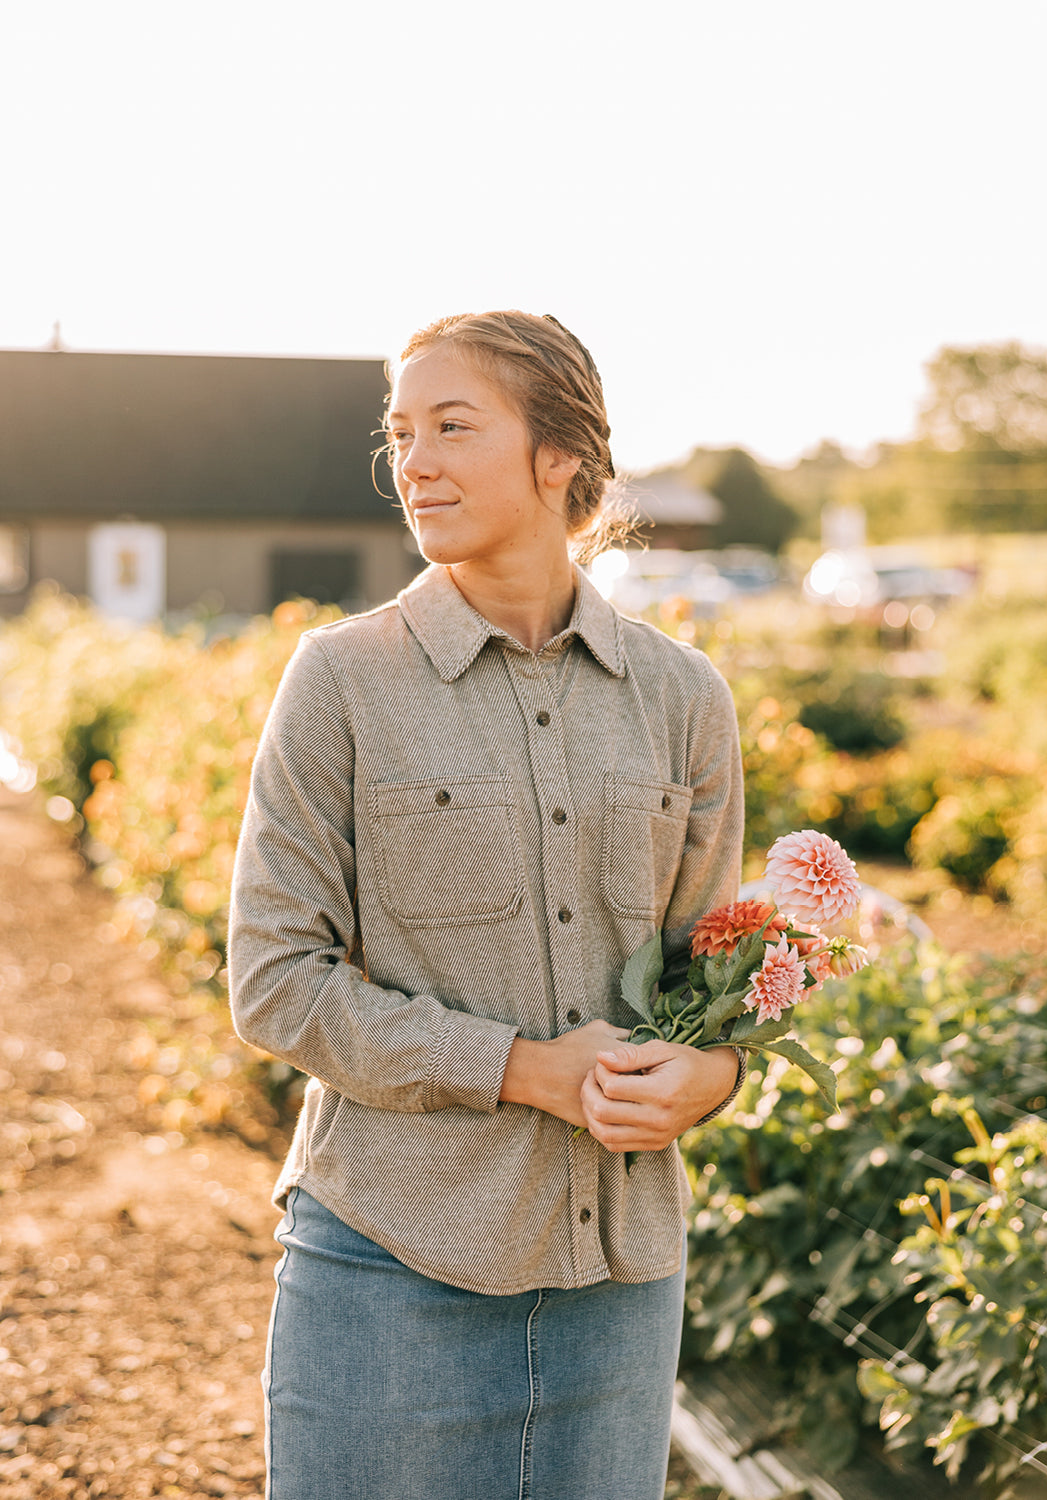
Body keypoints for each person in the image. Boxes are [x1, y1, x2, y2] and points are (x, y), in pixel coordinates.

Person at [228, 310, 745, 1500]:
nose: (414, 460)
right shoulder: (342, 683)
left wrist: (710, 1077)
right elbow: (273, 980)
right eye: (400, 432)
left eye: (453, 426)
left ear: (558, 453)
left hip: (617, 1284)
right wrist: (526, 1068)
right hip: (388, 1273)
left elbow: (705, 982)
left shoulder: (683, 698)